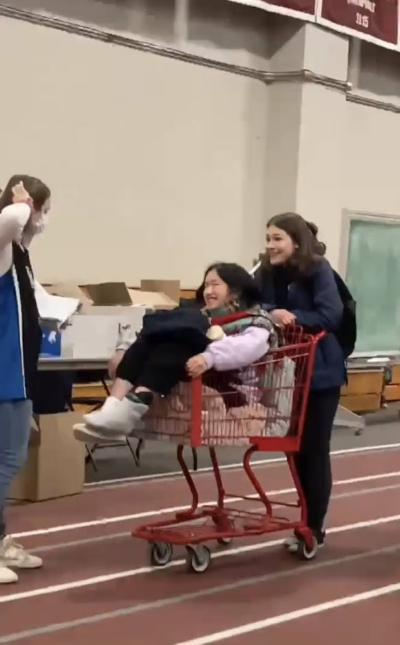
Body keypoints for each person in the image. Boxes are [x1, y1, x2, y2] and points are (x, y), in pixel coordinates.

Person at [74, 262, 278, 444]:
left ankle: (124, 413)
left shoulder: (256, 322)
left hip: (233, 391)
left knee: (182, 338)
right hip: (197, 382)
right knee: (157, 337)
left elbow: (246, 348)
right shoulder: (204, 317)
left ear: (235, 290)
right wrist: (123, 350)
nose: (208, 291)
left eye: (215, 284)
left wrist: (209, 357)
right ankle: (114, 409)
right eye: (206, 285)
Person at [255, 212, 345, 553]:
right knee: (293, 448)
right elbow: (256, 305)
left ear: (296, 241)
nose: (270, 245)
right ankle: (305, 519)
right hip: (285, 373)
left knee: (313, 449)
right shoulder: (267, 271)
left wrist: (290, 317)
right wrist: (269, 311)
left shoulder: (318, 269)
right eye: (268, 238)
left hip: (320, 371)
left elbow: (330, 314)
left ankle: (314, 527)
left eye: (277, 238)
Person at [0, 174, 51, 584]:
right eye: (43, 209)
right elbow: (14, 219)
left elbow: (25, 231)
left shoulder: (17, 251)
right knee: (7, 459)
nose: (44, 219)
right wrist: (22, 202)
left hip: (19, 372)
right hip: (4, 372)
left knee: (6, 457)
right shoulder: (1, 242)